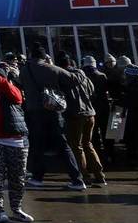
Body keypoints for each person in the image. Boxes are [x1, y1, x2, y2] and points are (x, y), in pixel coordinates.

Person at [18, 45, 86, 190]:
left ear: (31, 55)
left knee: (38, 145)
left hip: (35, 112)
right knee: (63, 145)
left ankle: (37, 177)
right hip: (53, 112)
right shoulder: (51, 69)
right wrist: (75, 68)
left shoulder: (25, 70)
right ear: (44, 57)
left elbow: (22, 84)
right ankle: (77, 179)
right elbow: (76, 79)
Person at [0, 61, 33, 222]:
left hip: (16, 141)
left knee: (18, 178)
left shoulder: (13, 90)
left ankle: (17, 208)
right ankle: (0, 211)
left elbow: (13, 93)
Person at [56, 52, 105, 187]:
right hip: (90, 113)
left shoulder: (62, 78)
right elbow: (92, 92)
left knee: (76, 147)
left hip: (74, 115)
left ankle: (83, 176)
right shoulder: (84, 76)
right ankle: (100, 175)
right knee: (88, 144)